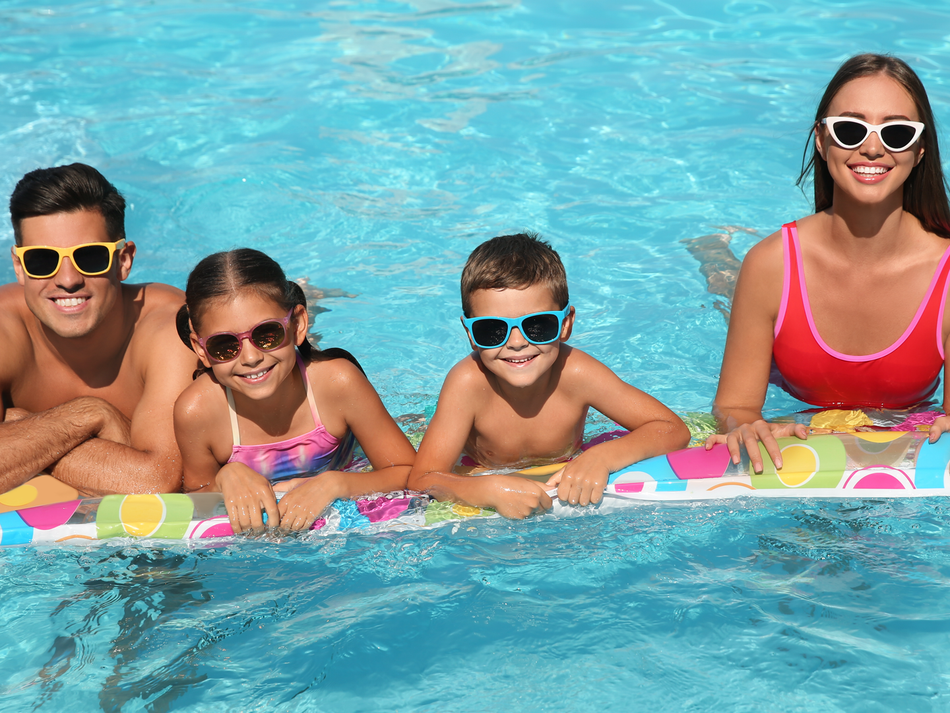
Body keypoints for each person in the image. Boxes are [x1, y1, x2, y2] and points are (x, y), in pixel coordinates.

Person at [709, 53, 950, 472]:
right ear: (821, 140)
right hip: (794, 390)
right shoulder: (771, 266)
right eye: (851, 129)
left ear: (920, 149)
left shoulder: (945, 275)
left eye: (895, 133)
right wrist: (746, 425)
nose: (872, 148)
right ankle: (713, 254)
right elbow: (734, 405)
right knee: (723, 287)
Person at [407, 233, 690, 519]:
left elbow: (671, 429)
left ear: (565, 324)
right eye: (491, 330)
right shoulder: (467, 384)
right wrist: (486, 489)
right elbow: (422, 479)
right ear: (470, 333)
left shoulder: (578, 373)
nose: (516, 342)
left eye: (537, 326)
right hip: (477, 466)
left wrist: (602, 457)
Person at [174, 248, 415, 533]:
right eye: (224, 345)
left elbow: (412, 474)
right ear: (201, 350)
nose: (250, 357)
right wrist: (225, 477)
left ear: (298, 324)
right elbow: (194, 500)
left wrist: (336, 483)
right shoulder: (197, 412)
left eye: (267, 334)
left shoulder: (338, 383)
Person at [0, 163, 196, 496]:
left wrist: (23, 428)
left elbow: (158, 482)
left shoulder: (171, 328)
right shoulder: (5, 330)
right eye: (41, 260)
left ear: (123, 260)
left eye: (89, 257)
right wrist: (89, 415)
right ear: (19, 268)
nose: (67, 280)